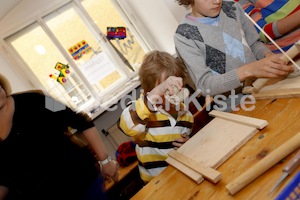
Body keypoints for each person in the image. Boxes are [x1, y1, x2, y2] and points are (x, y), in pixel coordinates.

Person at [0, 73, 119, 200]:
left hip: (81, 182)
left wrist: (105, 161)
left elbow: (79, 120)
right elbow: (6, 178)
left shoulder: (37, 99)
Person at [174, 0, 294, 111]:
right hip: (235, 107)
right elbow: (206, 85)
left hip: (264, 88)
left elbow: (254, 44)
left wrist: (267, 55)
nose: (217, 1)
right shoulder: (184, 36)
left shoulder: (232, 8)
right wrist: (248, 71)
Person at [119, 50, 194, 183]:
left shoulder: (186, 115)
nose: (170, 92)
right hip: (155, 183)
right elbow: (126, 126)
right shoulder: (143, 114)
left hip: (181, 176)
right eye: (164, 89)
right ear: (150, 91)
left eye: (174, 87)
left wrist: (188, 145)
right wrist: (156, 93)